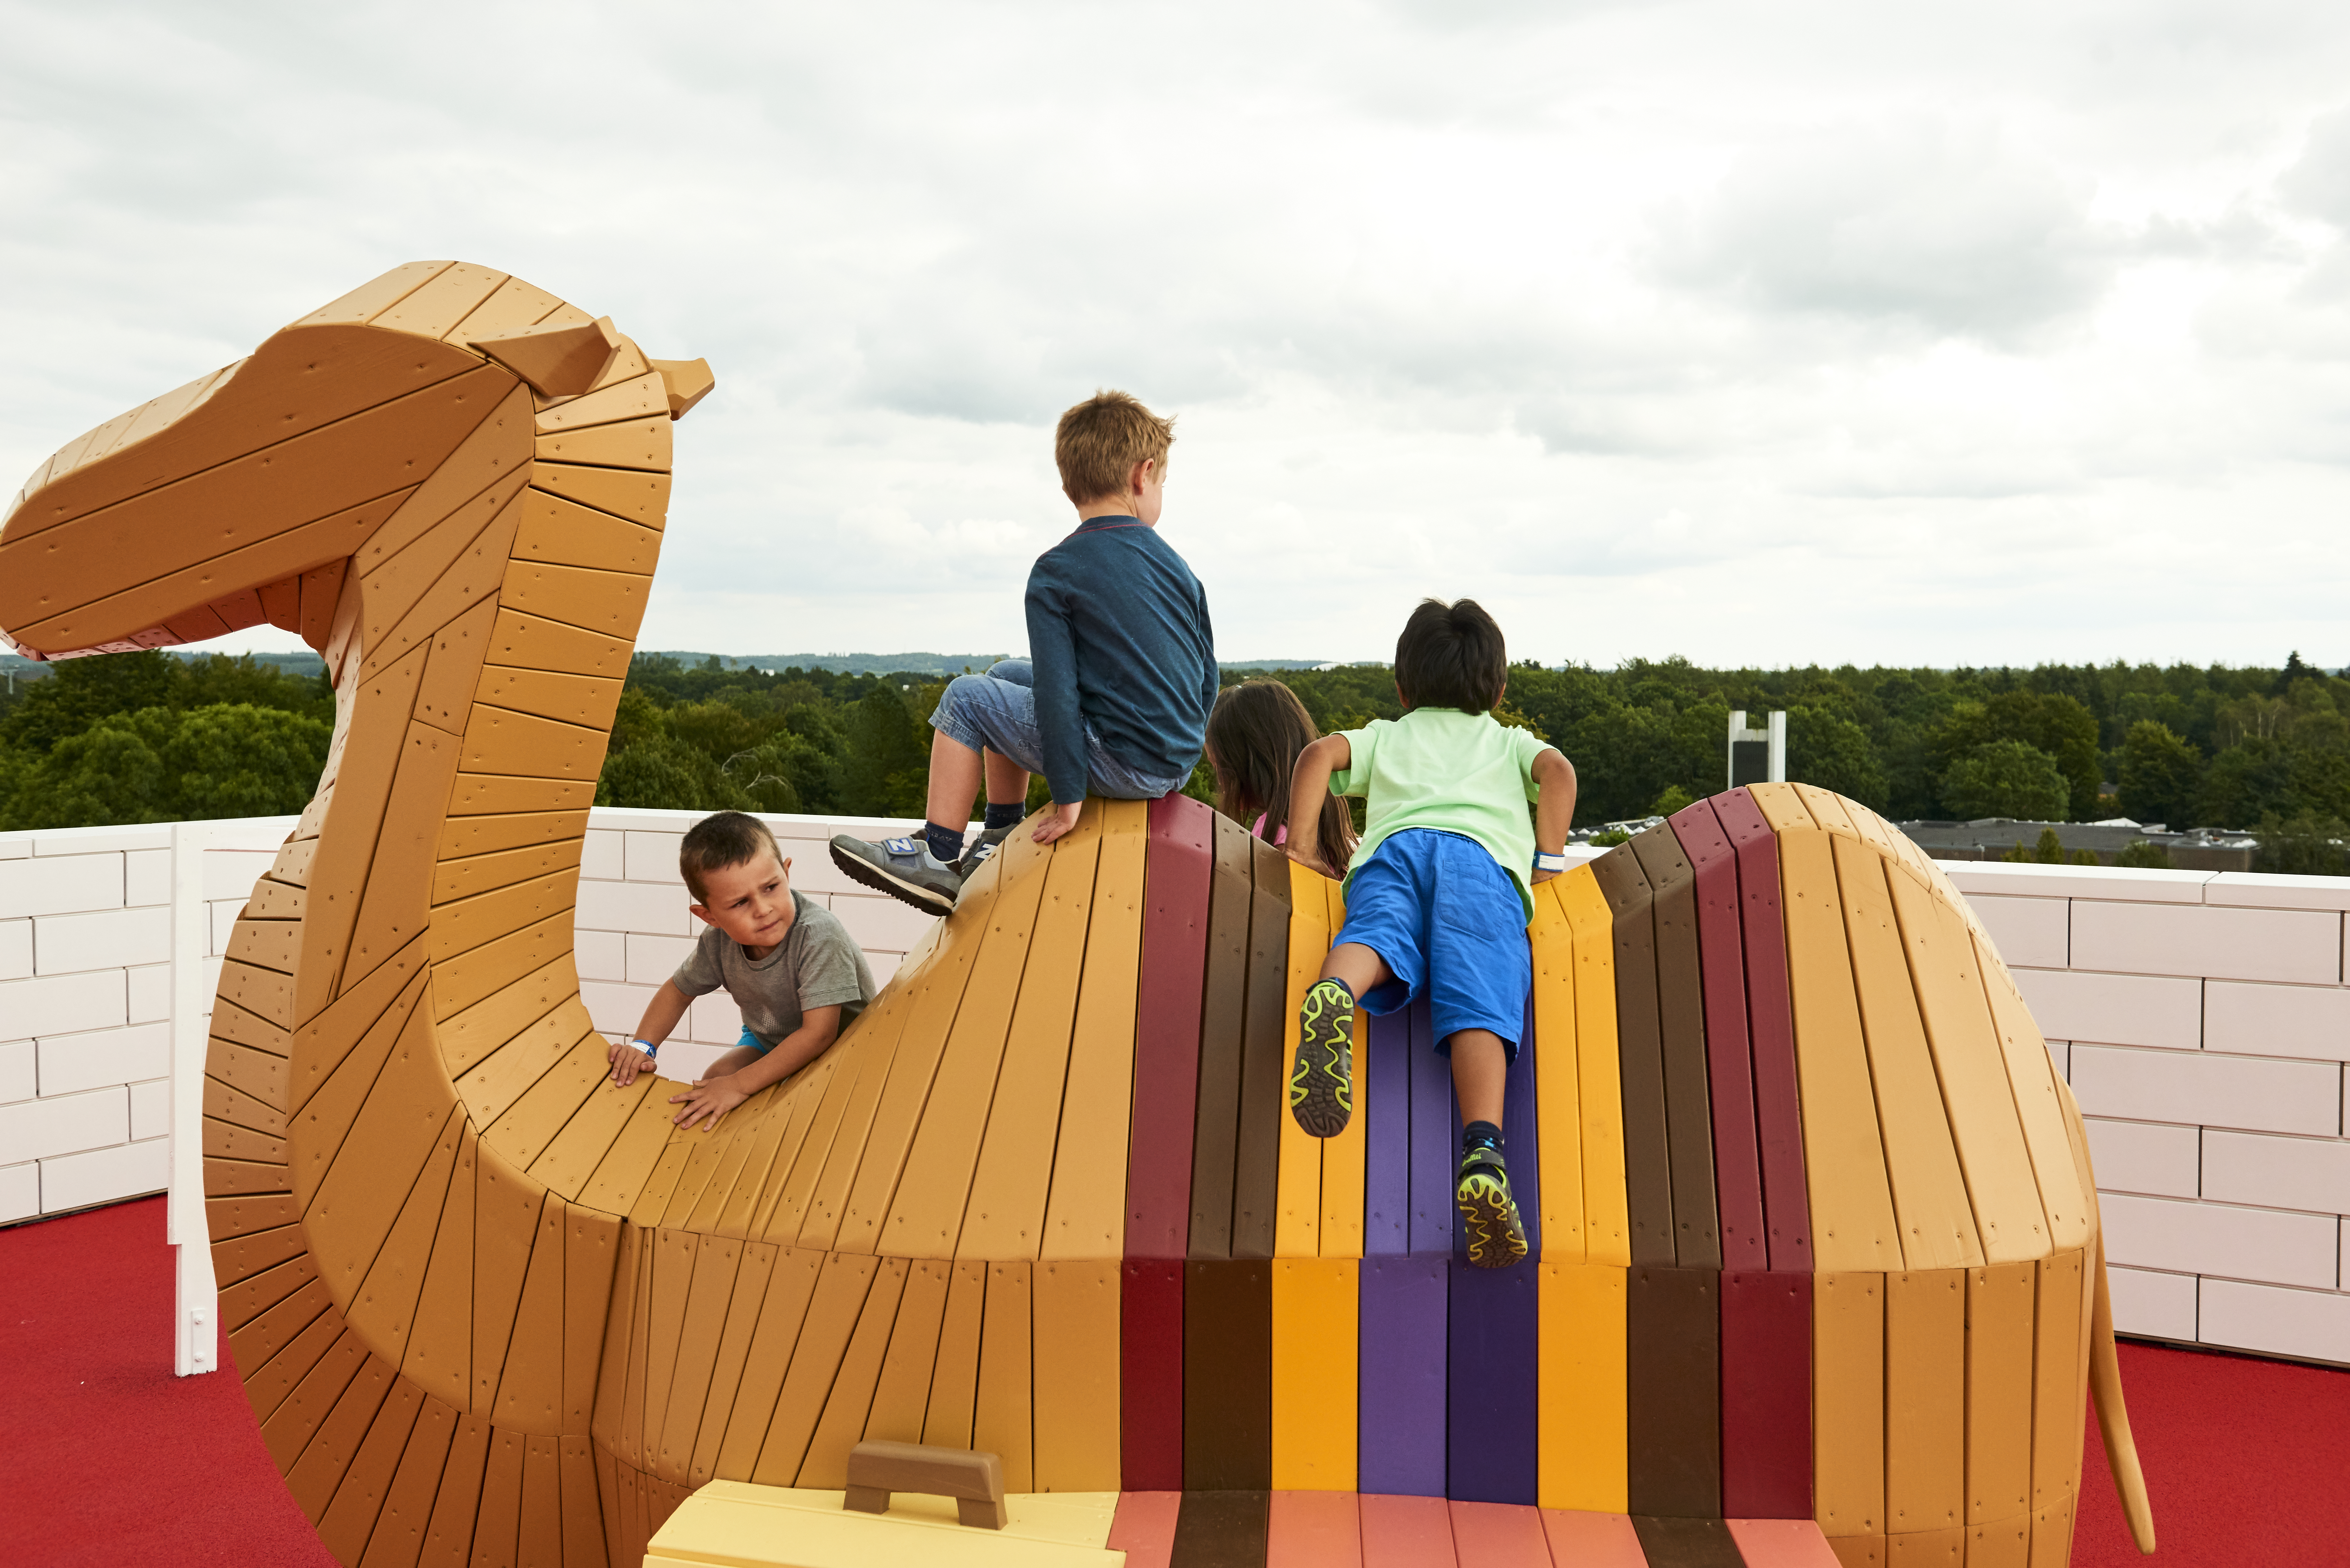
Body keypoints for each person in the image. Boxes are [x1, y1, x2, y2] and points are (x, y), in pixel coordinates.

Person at [830, 390, 1218, 914]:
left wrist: (1068, 795)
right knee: (1006, 676)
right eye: (1164, 482)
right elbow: (1207, 676)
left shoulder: (1058, 569)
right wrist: (1178, 745)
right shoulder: (1178, 568)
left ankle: (936, 856)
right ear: (1142, 475)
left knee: (968, 697)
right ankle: (999, 830)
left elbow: (1061, 691)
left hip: (1121, 760)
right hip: (1173, 758)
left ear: (1068, 485)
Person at [1281, 599, 1577, 1269]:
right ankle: (1482, 1152)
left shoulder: (1388, 733)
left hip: (1394, 852)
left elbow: (1317, 754)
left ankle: (1334, 990)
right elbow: (1557, 773)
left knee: (1379, 934)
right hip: (1479, 865)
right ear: (1497, 689)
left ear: (1402, 686)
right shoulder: (1506, 742)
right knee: (1478, 997)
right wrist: (1546, 861)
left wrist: (1299, 845)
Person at [608, 811, 876, 1131]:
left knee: (756, 1094)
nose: (763, 909)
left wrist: (740, 1084)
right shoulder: (718, 942)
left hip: (843, 1049)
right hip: (770, 1038)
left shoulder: (818, 936)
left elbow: (819, 1034)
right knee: (712, 1085)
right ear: (709, 916)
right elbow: (678, 991)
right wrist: (642, 1046)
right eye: (739, 903)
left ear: (787, 874)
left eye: (771, 887)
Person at [1204, 678, 1356, 858]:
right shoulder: (1337, 833)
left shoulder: (1273, 837)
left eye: (1219, 766)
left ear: (1247, 767)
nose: (1221, 782)